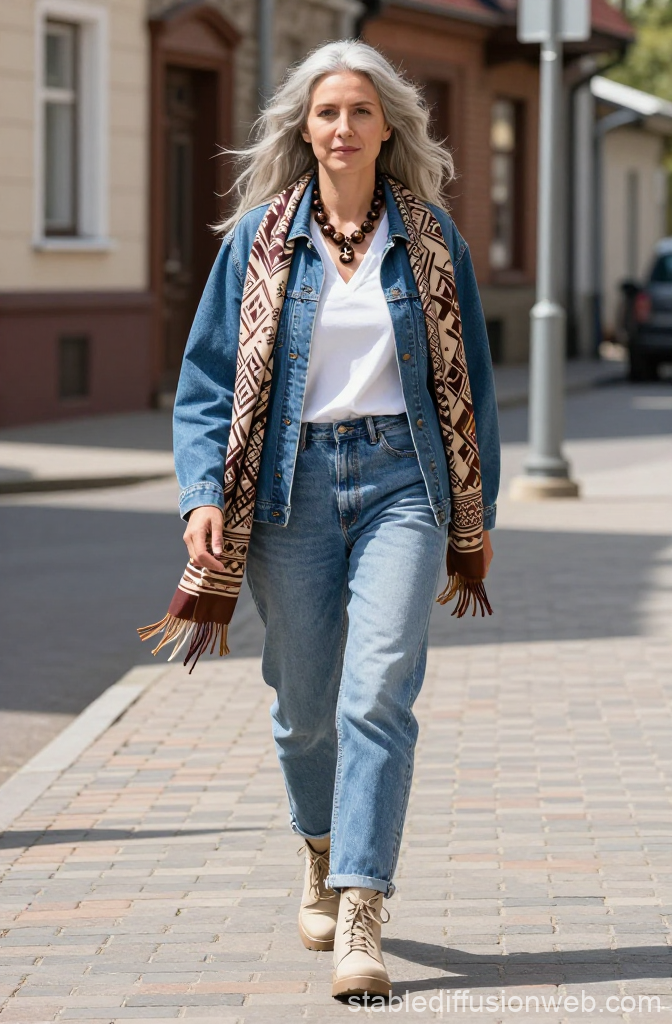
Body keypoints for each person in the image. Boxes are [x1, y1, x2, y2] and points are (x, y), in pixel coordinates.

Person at [166, 39, 499, 1001]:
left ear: (386, 124)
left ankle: (361, 902)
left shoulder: (433, 241)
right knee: (305, 708)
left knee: (377, 693)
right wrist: (200, 493)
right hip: (287, 489)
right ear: (302, 129)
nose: (343, 127)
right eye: (326, 113)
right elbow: (205, 383)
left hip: (406, 482)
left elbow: (469, 390)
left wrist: (476, 517)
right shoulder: (258, 243)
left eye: (359, 110)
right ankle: (318, 845)